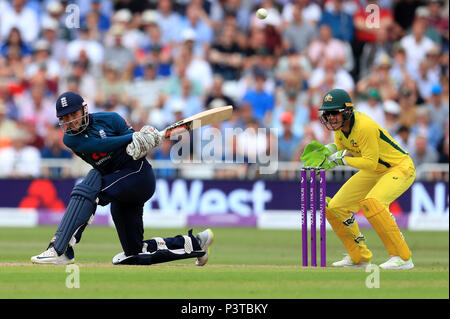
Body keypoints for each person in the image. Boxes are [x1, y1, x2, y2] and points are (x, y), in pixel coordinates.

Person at [31, 91, 214, 266]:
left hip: (137, 176)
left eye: (73, 114)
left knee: (87, 190)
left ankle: (60, 249)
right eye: (65, 118)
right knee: (133, 253)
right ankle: (196, 243)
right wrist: (131, 138)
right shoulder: (70, 140)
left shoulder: (111, 119)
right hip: (117, 185)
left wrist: (144, 141)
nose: (71, 121)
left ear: (84, 109)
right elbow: (98, 145)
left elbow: (136, 149)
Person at [301, 89, 415, 270]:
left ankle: (402, 257)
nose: (330, 117)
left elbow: (368, 162)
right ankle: (359, 256)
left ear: (347, 111)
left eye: (334, 112)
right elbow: (342, 149)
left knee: (373, 203)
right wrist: (326, 154)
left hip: (399, 166)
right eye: (327, 113)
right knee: (335, 207)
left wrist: (340, 159)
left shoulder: (364, 126)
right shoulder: (340, 128)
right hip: (376, 169)